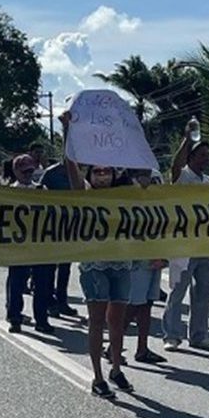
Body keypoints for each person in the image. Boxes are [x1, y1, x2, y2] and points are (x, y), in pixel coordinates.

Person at [66, 160, 133, 399]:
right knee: (97, 320)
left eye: (107, 171)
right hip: (94, 265)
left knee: (117, 319)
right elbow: (71, 169)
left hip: (121, 263)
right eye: (98, 172)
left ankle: (116, 368)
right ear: (90, 174)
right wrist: (68, 132)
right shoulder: (83, 193)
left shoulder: (124, 194)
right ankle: (98, 376)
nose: (103, 176)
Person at [162, 123, 209, 352]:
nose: (206, 158)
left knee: (204, 291)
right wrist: (186, 139)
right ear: (191, 156)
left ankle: (199, 335)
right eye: (202, 154)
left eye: (208, 155)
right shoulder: (182, 176)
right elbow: (175, 165)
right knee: (178, 290)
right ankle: (172, 335)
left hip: (205, 245)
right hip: (182, 245)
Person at [5, 154, 55, 335]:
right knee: (16, 284)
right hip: (18, 246)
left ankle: (41, 320)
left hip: (40, 245)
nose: (27, 174)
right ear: (16, 171)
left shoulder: (42, 190)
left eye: (30, 171)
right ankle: (15, 318)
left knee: (42, 285)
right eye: (24, 171)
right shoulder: (7, 192)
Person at [39, 111, 81, 319]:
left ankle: (61, 301)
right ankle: (49, 301)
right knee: (49, 269)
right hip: (51, 228)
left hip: (70, 227)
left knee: (65, 268)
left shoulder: (80, 175)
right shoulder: (51, 174)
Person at [123, 169, 167, 364]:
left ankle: (142, 348)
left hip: (155, 249)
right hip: (136, 255)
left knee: (147, 303)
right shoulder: (124, 181)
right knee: (134, 304)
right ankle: (112, 345)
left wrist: (164, 255)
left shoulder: (156, 176)